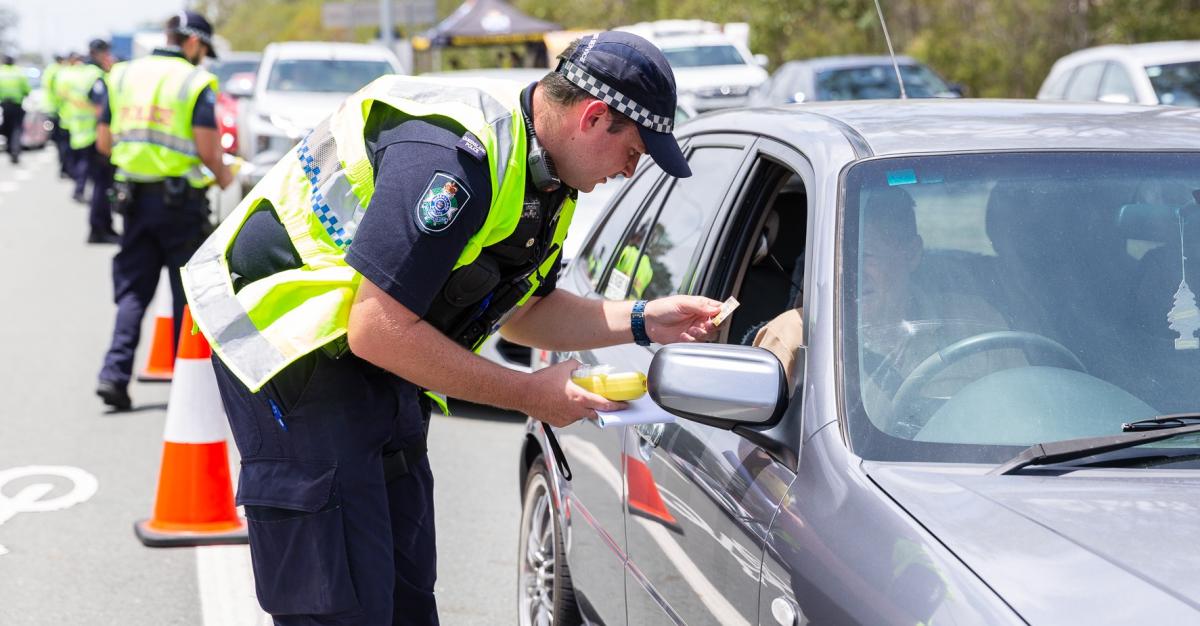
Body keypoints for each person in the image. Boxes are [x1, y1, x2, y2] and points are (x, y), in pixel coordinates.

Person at [181, 31, 719, 624]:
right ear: (594, 118)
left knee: (407, 592)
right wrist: (528, 395)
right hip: (290, 344)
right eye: (635, 151)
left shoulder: (548, 179)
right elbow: (377, 328)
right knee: (341, 602)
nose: (630, 169)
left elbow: (526, 315)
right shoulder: (452, 161)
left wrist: (646, 321)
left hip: (374, 351)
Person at [754, 187, 1015, 428]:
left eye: (866, 256)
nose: (850, 272)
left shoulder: (975, 323)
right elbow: (756, 457)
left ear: (912, 254)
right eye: (840, 257)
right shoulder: (792, 336)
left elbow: (1025, 407)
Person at [94, 11, 232, 410]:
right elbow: (208, 148)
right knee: (187, 295)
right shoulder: (194, 81)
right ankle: (187, 386)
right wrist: (225, 176)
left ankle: (114, 375)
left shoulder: (121, 76)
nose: (203, 58)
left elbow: (104, 142)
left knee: (133, 292)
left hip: (133, 201)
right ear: (192, 42)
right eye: (204, 49)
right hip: (180, 206)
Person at [71, 39, 119, 243]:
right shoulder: (97, 76)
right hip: (95, 136)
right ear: (98, 53)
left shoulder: (79, 73)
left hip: (80, 133)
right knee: (102, 185)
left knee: (99, 184)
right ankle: (99, 229)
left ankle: (102, 226)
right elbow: (102, 110)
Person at [42, 55, 71, 177]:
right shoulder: (65, 72)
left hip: (52, 110)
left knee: (58, 140)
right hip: (64, 111)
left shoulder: (49, 71)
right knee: (65, 141)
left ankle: (63, 164)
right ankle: (65, 166)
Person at [0, 55, 31, 164]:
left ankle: (10, 149)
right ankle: (15, 150)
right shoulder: (19, 73)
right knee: (16, 129)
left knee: (6, 128)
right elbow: (27, 90)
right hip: (16, 105)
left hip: (4, 105)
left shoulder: (1, 72)